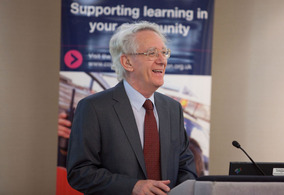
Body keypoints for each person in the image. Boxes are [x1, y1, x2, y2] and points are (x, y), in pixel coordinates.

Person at [67, 21, 197, 195]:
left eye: (164, 52)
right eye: (152, 53)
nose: (162, 60)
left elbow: (185, 165)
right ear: (127, 62)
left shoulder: (173, 109)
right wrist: (132, 186)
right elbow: (80, 172)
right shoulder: (93, 108)